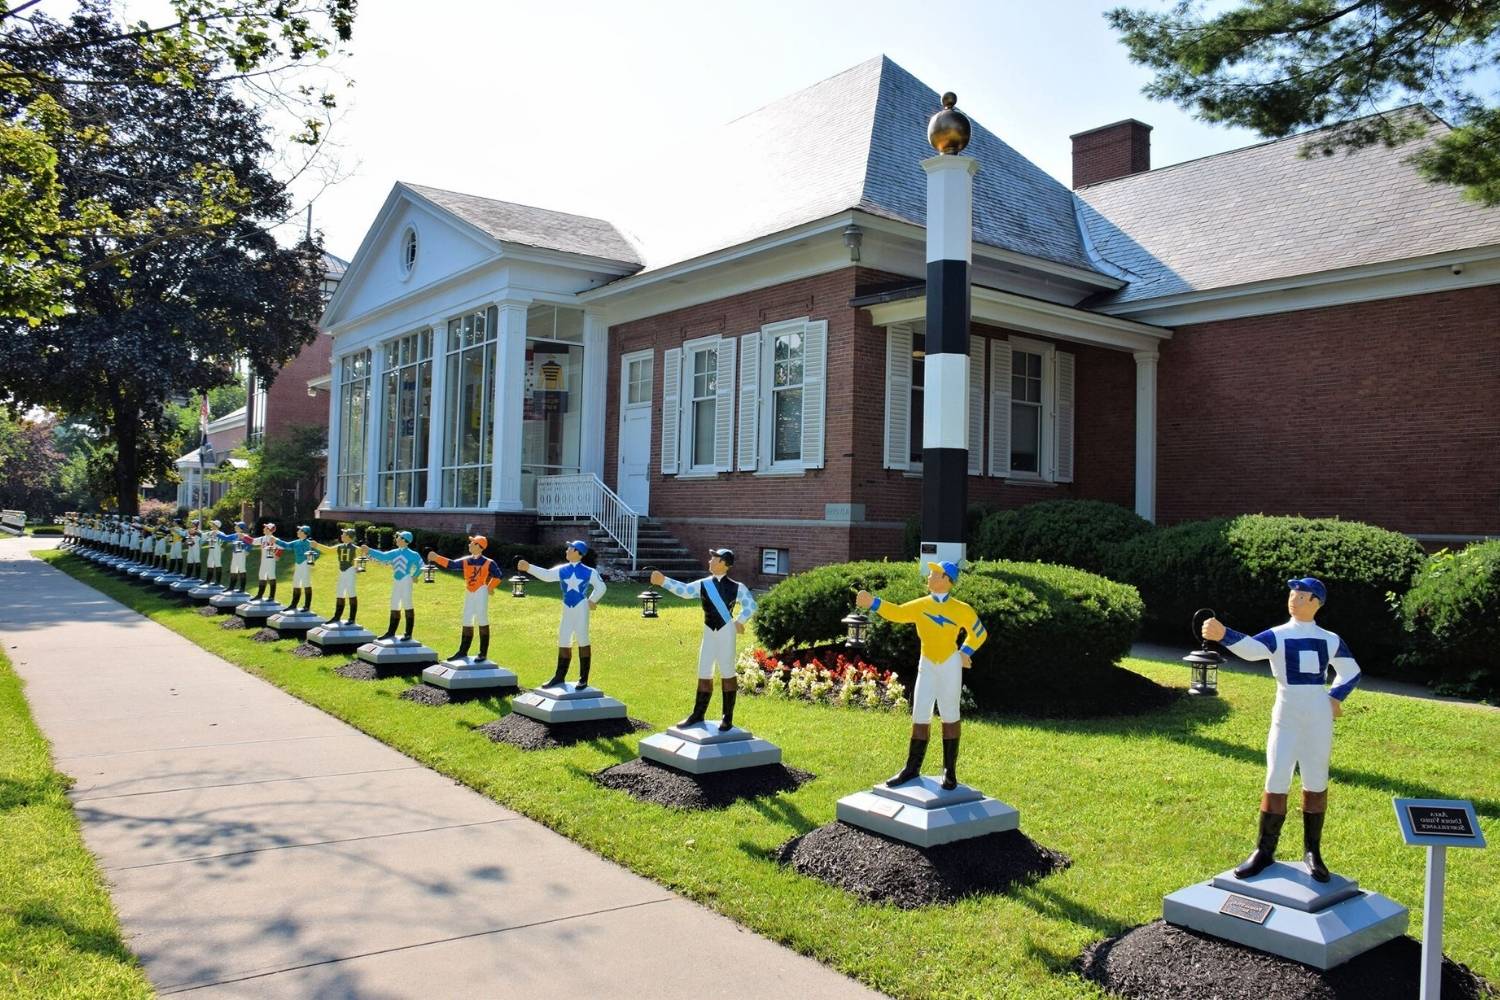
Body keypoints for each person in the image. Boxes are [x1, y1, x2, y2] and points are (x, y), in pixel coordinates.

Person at [1201, 577, 1362, 883]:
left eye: (1301, 596)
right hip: (1285, 716)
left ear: (1316, 602)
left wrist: (1335, 697)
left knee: (1316, 779)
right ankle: (1264, 850)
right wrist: (1224, 635)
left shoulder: (1330, 639)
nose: (1294, 599)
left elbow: (1351, 671)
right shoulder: (1279, 635)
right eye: (1292, 594)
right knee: (1276, 778)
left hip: (1317, 718)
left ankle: (1312, 852)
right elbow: (1252, 649)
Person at [856, 561, 987, 791]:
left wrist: (964, 653)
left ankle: (949, 771)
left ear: (947, 579)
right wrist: (873, 603)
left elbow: (979, 633)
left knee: (950, 714)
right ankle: (911, 768)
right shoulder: (921, 605)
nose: (929, 577)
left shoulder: (962, 609)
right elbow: (897, 612)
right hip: (926, 664)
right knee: (920, 714)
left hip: (949, 665)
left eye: (934, 574)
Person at [651, 549, 757, 732]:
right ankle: (698, 713)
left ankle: (727, 717)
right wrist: (664, 581)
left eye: (713, 558)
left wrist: (740, 621)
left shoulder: (737, 587)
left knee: (727, 672)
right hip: (709, 632)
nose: (709, 561)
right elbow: (684, 591)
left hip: (726, 633)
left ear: (723, 563)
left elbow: (751, 605)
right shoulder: (704, 584)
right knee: (704, 671)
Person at [518, 540, 607, 690]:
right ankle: (559, 676)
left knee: (582, 638)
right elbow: (547, 575)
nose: (566, 551)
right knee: (564, 638)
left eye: (570, 548)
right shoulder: (563, 569)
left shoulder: (589, 572)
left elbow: (601, 587)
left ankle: (583, 678)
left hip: (580, 607)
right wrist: (529, 568)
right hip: (567, 607)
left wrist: (592, 600)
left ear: (578, 553)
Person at [427, 536, 504, 661]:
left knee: (482, 618)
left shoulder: (489, 562)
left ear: (479, 546)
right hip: (469, 591)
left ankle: (482, 653)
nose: (469, 545)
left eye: (472, 543)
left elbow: (499, 575)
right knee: (467, 619)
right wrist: (437, 558)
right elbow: (452, 564)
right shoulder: (466, 560)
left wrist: (490, 587)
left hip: (481, 591)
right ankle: (463, 651)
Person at [362, 530, 424, 641]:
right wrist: (369, 550)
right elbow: (382, 556)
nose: (396, 539)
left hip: (406, 580)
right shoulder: (394, 552)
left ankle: (408, 633)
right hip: (396, 580)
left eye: (398, 537)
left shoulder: (413, 554)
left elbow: (421, 565)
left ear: (405, 540)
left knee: (407, 604)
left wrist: (415, 575)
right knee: (394, 604)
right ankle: (391, 632)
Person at [321, 527, 361, 625]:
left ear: (348, 536)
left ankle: (352, 618)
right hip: (342, 571)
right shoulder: (340, 546)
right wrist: (316, 545)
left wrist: (358, 567)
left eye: (343, 534)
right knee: (340, 593)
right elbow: (328, 550)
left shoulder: (356, 549)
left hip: (350, 571)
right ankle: (337, 616)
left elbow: (360, 558)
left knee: (351, 593)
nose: (342, 535)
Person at [273, 525, 318, 612]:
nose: (297, 532)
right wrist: (277, 541)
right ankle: (293, 604)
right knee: (296, 583)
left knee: (306, 583)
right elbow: (286, 545)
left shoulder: (310, 543)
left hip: (305, 564)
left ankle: (307, 606)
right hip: (298, 564)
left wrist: (312, 560)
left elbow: (317, 553)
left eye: (299, 531)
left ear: (304, 533)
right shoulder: (296, 542)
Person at [215, 521, 252, 592]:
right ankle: (231, 587)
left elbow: (250, 543)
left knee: (242, 570)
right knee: (233, 569)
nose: (235, 527)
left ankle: (242, 588)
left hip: (241, 554)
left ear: (241, 529)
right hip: (234, 554)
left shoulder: (245, 536)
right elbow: (226, 538)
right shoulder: (234, 535)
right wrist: (217, 534)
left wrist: (247, 550)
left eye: (237, 526)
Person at [252, 522, 283, 602]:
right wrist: (244, 537)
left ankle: (271, 596)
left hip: (271, 560)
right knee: (262, 575)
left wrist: (277, 555)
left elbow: (281, 547)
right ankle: (260, 595)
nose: (263, 529)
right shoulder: (262, 538)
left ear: (269, 530)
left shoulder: (274, 539)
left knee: (271, 576)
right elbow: (253, 541)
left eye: (265, 528)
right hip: (263, 561)